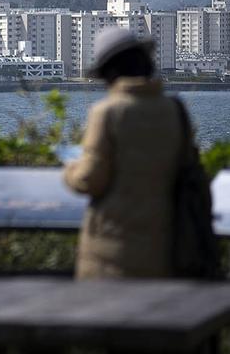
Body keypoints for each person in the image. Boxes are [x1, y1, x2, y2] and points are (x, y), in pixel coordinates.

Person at [64, 27, 184, 279]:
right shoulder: (175, 110)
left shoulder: (107, 113)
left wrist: (70, 171)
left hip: (112, 245)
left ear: (109, 73)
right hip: (166, 239)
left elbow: (90, 179)